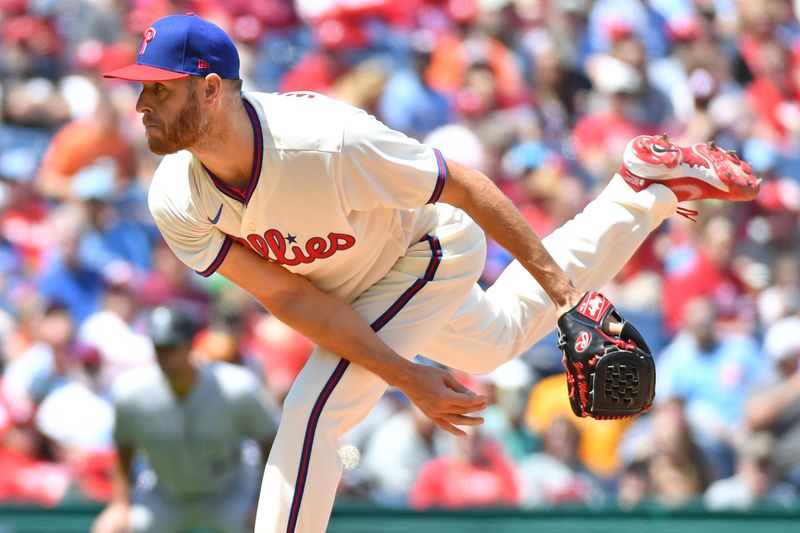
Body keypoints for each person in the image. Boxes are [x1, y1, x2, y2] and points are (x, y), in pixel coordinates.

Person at [102, 14, 760, 533]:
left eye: (158, 87)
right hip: (351, 291)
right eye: (141, 87)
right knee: (498, 336)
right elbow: (287, 296)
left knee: (311, 414)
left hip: (426, 252)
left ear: (211, 89)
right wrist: (400, 371)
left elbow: (465, 187)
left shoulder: (324, 141)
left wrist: (567, 298)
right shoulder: (177, 195)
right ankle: (641, 190)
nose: (141, 103)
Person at [91, 306, 278, 533]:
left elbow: (271, 440)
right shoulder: (131, 393)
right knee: (109, 528)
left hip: (229, 493)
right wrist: (120, 504)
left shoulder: (236, 387)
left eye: (171, 347)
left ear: (190, 345)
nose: (164, 356)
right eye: (159, 348)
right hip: (167, 496)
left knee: (272, 525)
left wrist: (264, 500)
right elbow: (124, 450)